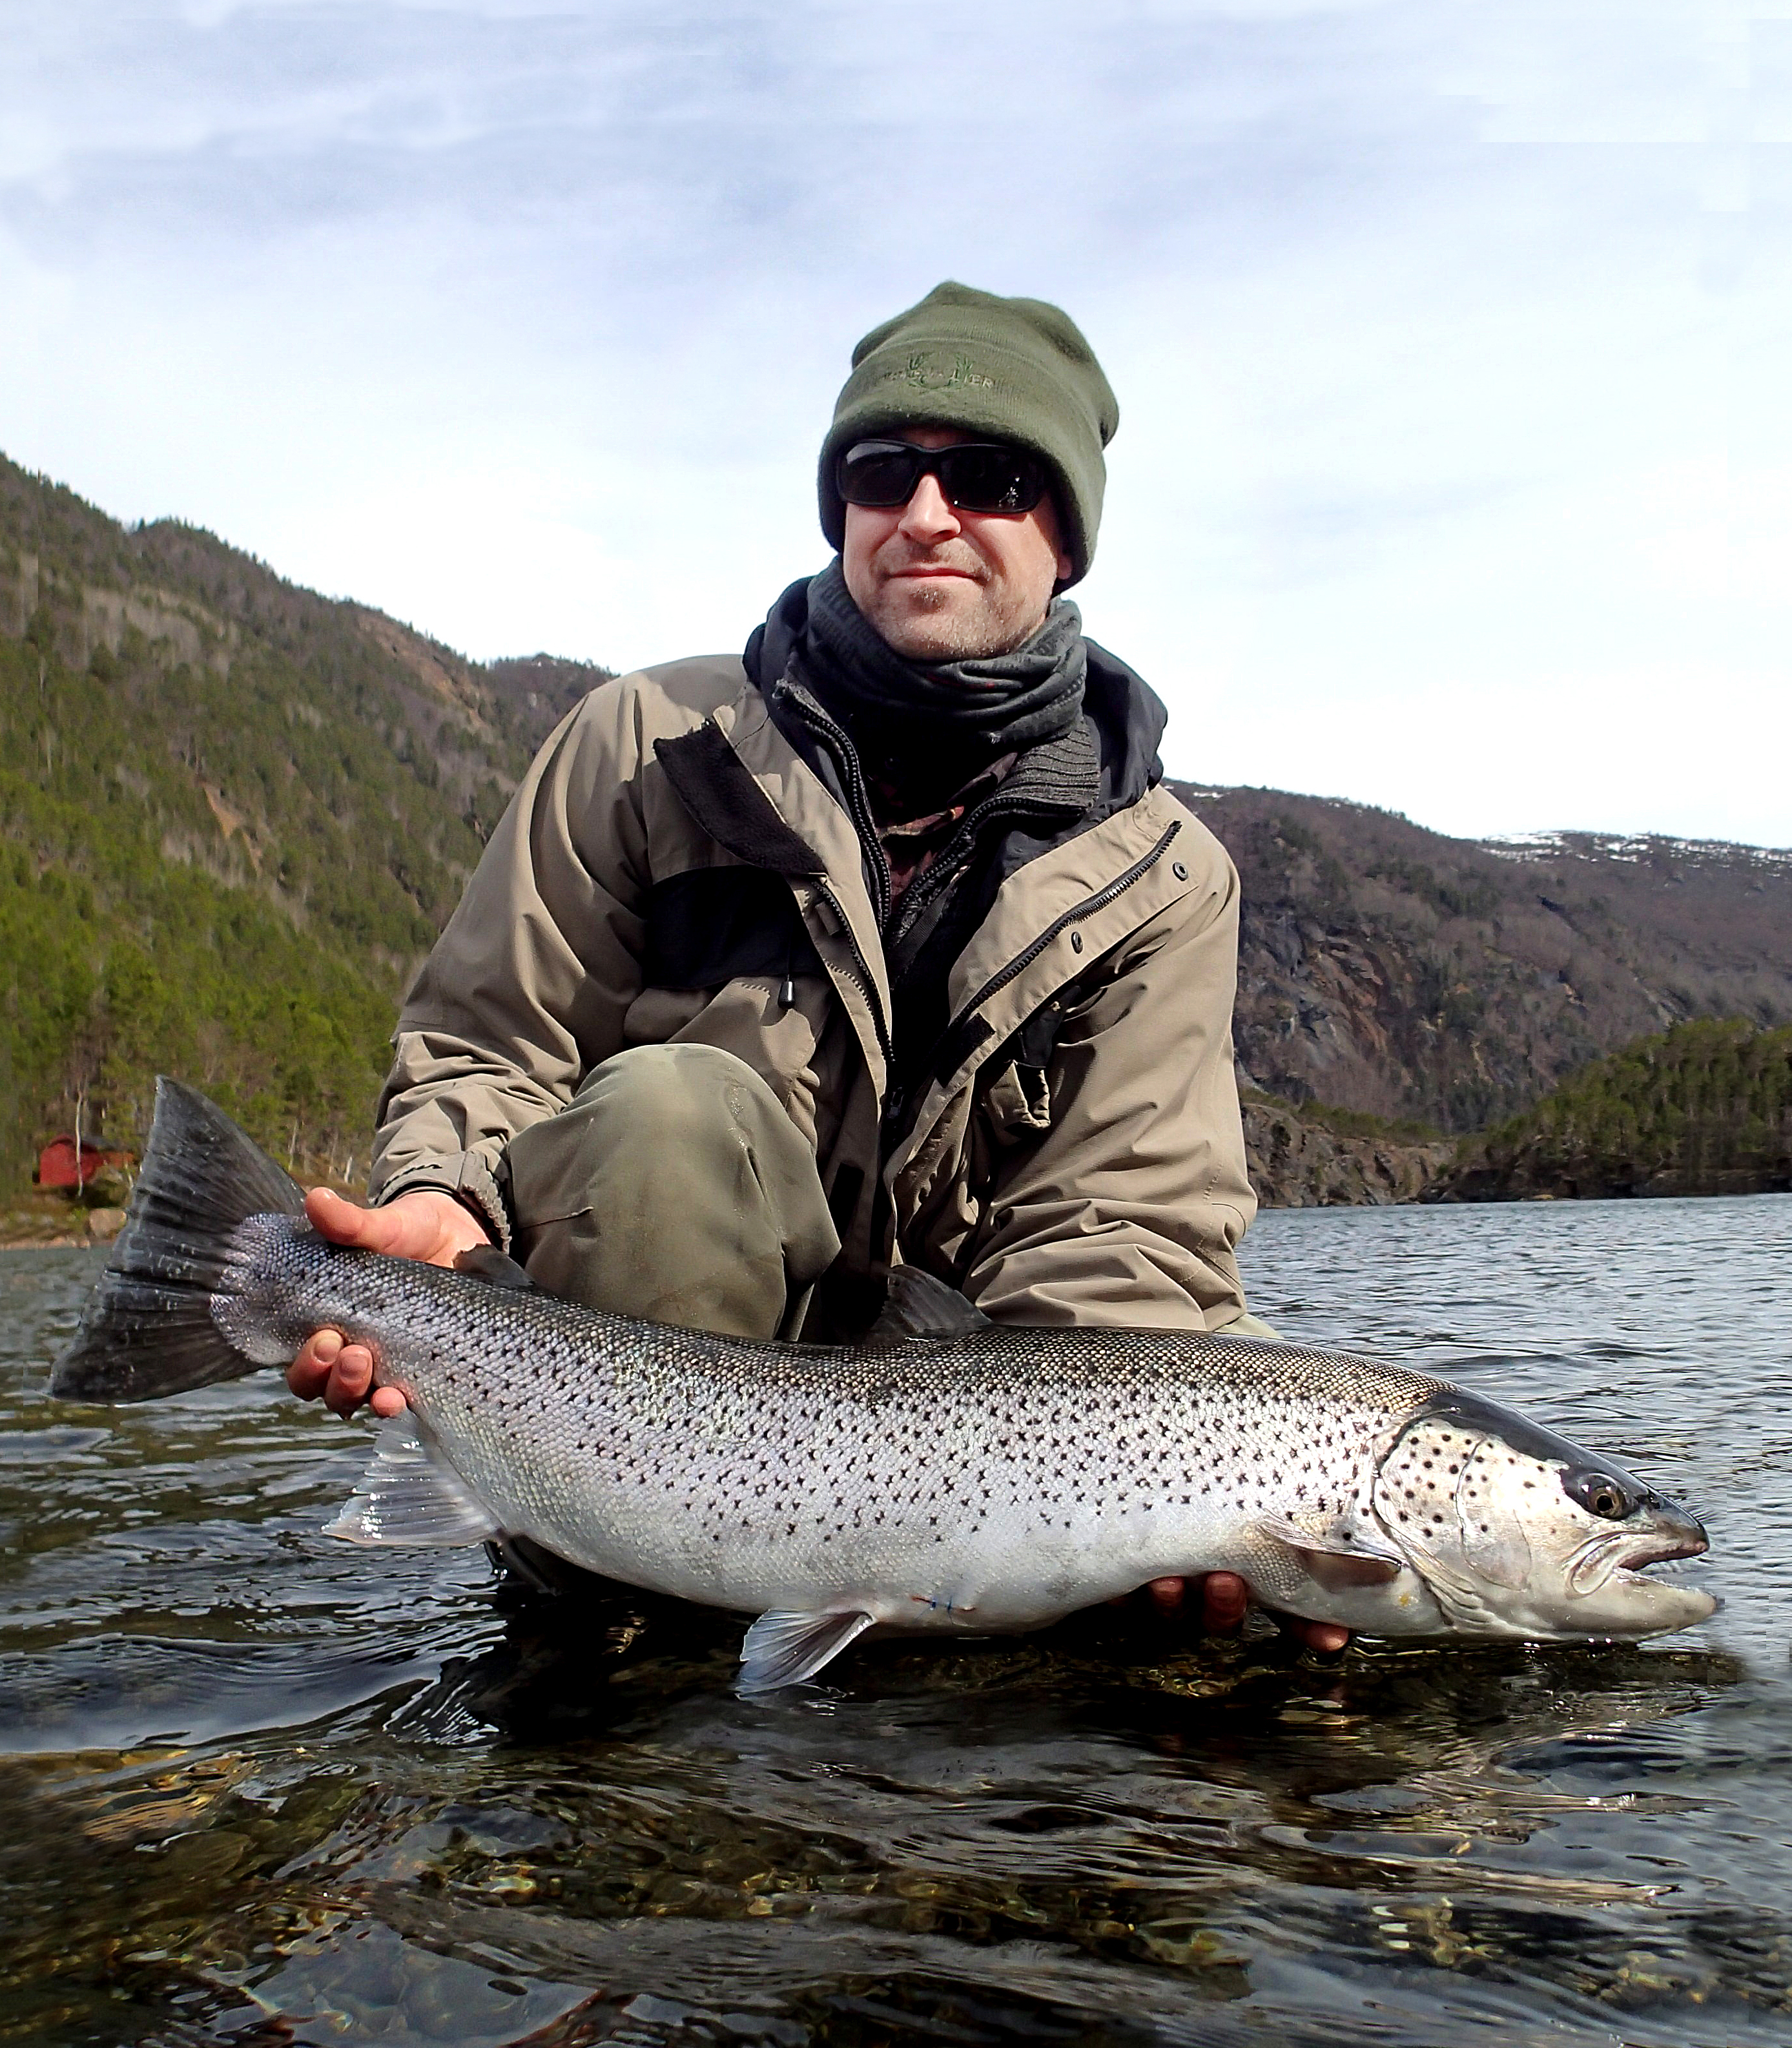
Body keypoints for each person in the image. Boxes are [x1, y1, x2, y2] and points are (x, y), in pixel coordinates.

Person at [289, 281, 1346, 1653]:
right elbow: (492, 1043)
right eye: (880, 472)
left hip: (971, 1421)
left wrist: (1150, 1525)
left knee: (1240, 1513)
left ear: (1068, 535)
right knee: (667, 1110)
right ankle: (623, 1607)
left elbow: (1122, 1231)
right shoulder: (648, 745)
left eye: (989, 479)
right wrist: (439, 1200)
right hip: (652, 1413)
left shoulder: (1164, 875)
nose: (925, 514)